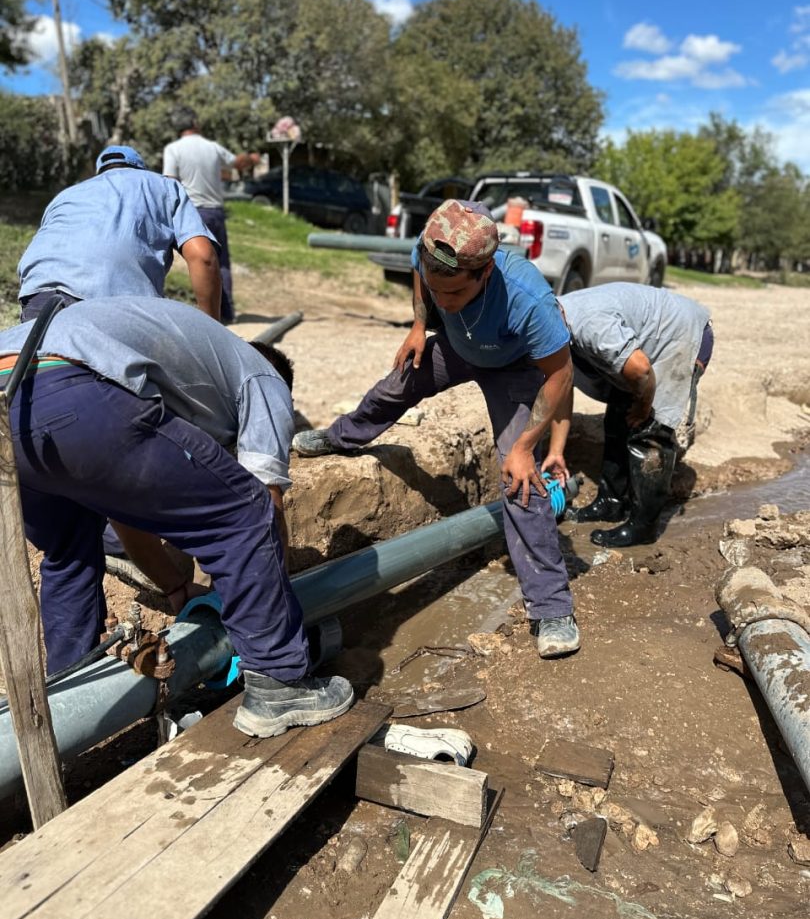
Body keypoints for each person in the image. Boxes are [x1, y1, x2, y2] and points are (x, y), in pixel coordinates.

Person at [0, 297, 353, 738]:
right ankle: (279, 684)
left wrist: (174, 586)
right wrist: (273, 607)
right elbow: (265, 503)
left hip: (13, 390)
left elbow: (124, 501)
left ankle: (72, 703)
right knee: (244, 510)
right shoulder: (264, 376)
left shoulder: (189, 372)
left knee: (70, 549)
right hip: (68, 382)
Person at [292, 199, 580, 658]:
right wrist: (420, 324)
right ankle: (340, 437)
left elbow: (561, 375)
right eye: (437, 291)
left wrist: (526, 445)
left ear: (484, 274)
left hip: (515, 368)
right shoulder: (432, 250)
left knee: (520, 481)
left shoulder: (528, 300)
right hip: (460, 347)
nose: (445, 300)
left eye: (456, 296)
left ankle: (552, 607)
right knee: (395, 387)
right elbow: (419, 277)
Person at [549, 282, 714, 548]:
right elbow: (561, 387)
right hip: (649, 338)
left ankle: (643, 527)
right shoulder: (556, 317)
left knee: (651, 432)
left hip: (680, 336)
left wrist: (643, 406)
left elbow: (641, 371)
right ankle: (611, 503)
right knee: (617, 419)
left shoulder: (590, 326)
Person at [17, 145, 222, 323]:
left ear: (100, 172)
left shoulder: (65, 195)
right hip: (112, 299)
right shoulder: (164, 186)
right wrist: (214, 332)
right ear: (140, 168)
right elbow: (203, 257)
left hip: (37, 294)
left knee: (49, 368)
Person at [163, 109, 260, 324]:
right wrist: (251, 158)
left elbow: (169, 181)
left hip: (192, 212)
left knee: (197, 261)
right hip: (216, 210)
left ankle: (205, 315)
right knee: (220, 262)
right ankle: (226, 313)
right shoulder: (212, 147)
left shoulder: (173, 149)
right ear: (195, 124)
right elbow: (237, 163)